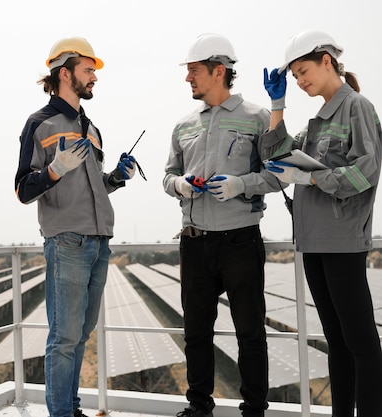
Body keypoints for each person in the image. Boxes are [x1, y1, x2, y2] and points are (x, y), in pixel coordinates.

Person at [14, 36, 139, 417]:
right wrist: (53, 170)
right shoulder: (39, 124)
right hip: (67, 242)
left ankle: (71, 408)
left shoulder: (92, 128)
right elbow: (22, 189)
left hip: (99, 241)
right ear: (64, 73)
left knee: (80, 335)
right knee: (63, 338)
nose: (94, 78)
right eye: (88, 70)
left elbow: (93, 188)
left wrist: (116, 177)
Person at [262, 29, 382, 417]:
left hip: (342, 240)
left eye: (302, 71)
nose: (299, 80)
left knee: (361, 342)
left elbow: (367, 170)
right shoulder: (316, 121)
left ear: (326, 61)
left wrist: (314, 177)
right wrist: (277, 104)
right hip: (312, 241)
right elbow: (275, 154)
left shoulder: (356, 107)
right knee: (337, 341)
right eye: (294, 76)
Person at [163, 33, 282, 417]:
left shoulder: (258, 118)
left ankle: (254, 410)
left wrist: (240, 185)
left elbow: (279, 174)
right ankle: (199, 408)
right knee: (196, 332)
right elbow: (168, 176)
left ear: (219, 71)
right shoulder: (183, 125)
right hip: (194, 243)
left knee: (250, 332)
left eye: (194, 71)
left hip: (240, 243)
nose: (188, 79)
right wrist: (180, 184)